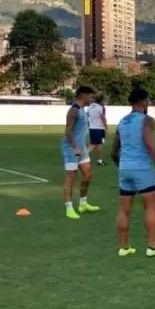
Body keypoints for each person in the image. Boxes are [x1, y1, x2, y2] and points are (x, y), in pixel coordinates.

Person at [111, 88, 155, 257]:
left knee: (124, 210)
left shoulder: (122, 122)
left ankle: (124, 247)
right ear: (143, 101)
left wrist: (122, 166)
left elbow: (114, 150)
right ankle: (152, 246)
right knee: (150, 207)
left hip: (124, 167)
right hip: (142, 167)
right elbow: (150, 144)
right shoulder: (147, 120)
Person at [62, 85, 101, 219]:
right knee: (70, 178)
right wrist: (74, 147)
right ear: (84, 95)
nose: (92, 99)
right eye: (90, 96)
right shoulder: (74, 110)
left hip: (81, 148)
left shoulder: (83, 110)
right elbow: (68, 131)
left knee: (88, 174)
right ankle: (69, 208)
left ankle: (83, 204)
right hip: (71, 149)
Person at [87, 94, 108, 166]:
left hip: (92, 128)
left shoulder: (90, 106)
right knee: (94, 144)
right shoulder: (101, 107)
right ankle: (82, 158)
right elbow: (103, 118)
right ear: (101, 100)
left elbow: (88, 116)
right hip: (99, 128)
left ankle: (100, 161)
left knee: (98, 144)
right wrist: (106, 127)